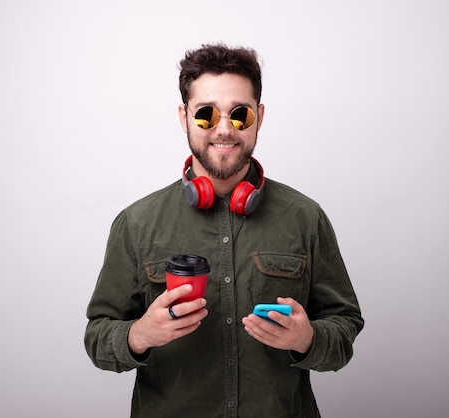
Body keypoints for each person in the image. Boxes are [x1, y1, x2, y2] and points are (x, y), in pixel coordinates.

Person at [84, 43, 364, 418]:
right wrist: (139, 335)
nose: (224, 129)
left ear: (259, 117)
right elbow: (98, 339)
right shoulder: (136, 224)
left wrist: (308, 339)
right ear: (183, 117)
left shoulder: (305, 217)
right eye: (205, 115)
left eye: (240, 114)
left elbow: (344, 327)